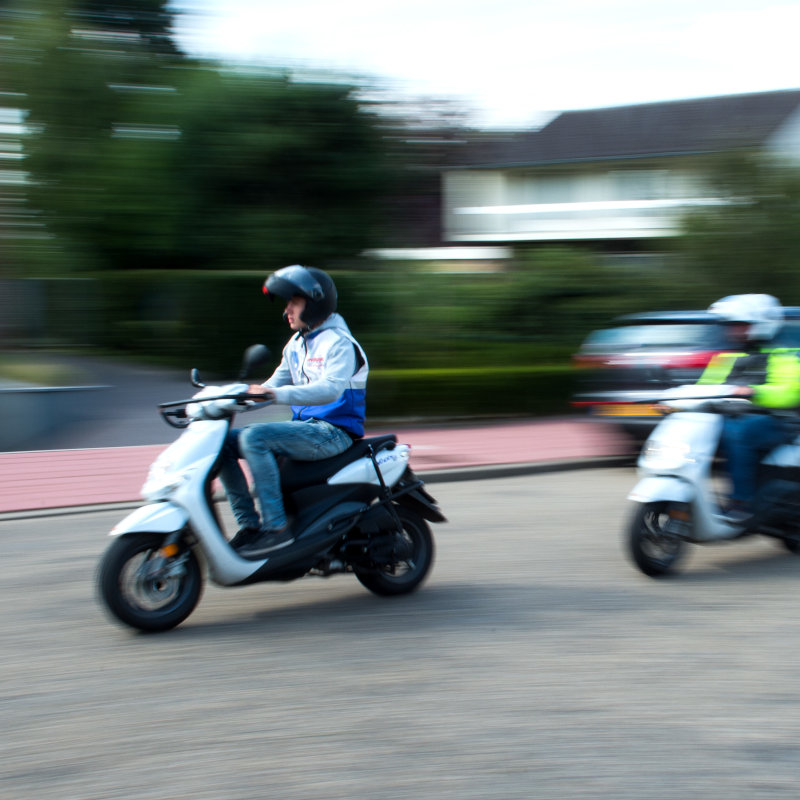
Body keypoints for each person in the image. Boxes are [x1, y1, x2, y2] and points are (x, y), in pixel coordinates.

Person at [219, 265, 368, 558]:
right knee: (221, 443)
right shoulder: (297, 344)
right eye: (287, 304)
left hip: (333, 433)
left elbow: (329, 390)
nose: (286, 310)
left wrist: (273, 394)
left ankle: (276, 530)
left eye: (294, 303)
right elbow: (273, 385)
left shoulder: (340, 344)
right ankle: (250, 526)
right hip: (306, 429)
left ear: (314, 303)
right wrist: (233, 398)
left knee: (254, 439)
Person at [698, 294, 800, 523]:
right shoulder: (726, 358)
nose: (733, 331)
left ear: (762, 325)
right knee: (708, 431)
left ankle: (741, 503)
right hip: (735, 417)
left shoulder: (781, 356)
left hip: (778, 422)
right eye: (731, 326)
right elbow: (704, 387)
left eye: (741, 325)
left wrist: (754, 391)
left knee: (740, 432)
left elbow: (790, 392)